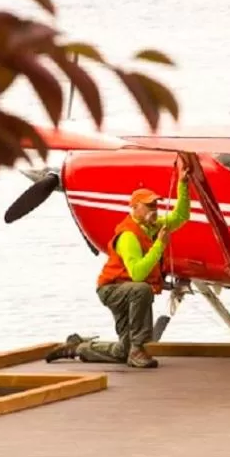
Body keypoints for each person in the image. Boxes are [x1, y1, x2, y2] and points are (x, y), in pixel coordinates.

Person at [46, 157, 193, 369]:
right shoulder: (128, 236)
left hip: (127, 290)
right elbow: (138, 274)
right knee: (142, 289)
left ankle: (77, 348)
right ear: (135, 208)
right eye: (150, 206)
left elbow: (181, 216)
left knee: (120, 351)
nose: (155, 209)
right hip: (113, 289)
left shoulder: (152, 225)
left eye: (156, 204)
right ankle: (138, 348)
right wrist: (159, 245)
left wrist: (183, 184)